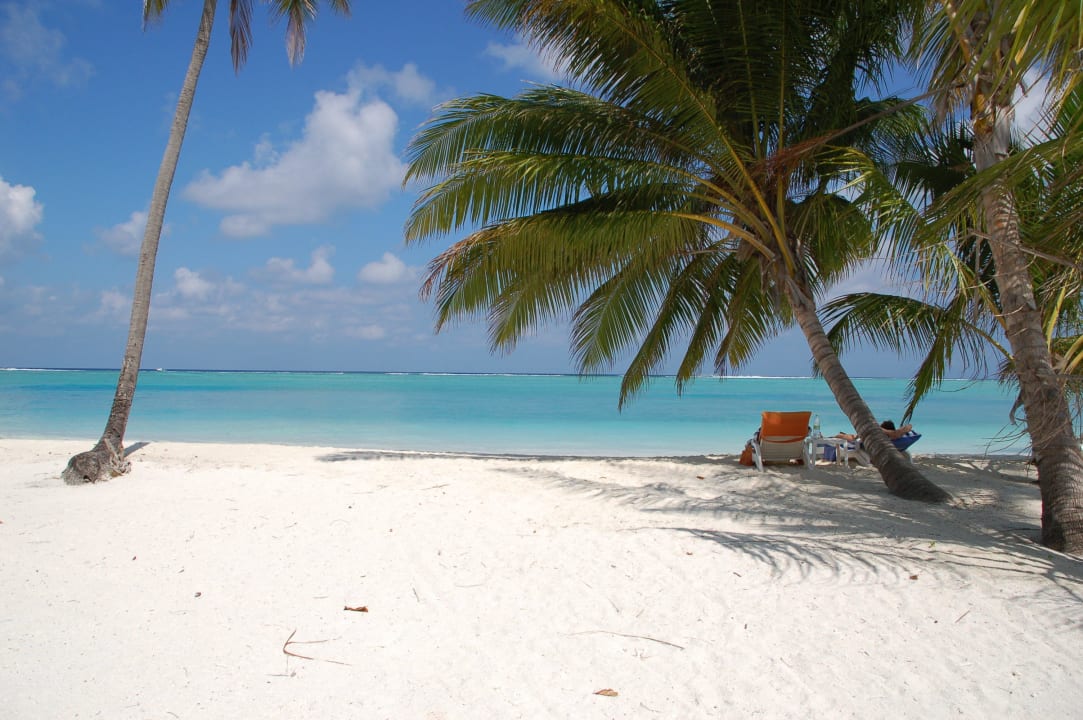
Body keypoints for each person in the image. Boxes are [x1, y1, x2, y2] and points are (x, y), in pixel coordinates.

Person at [834, 419, 912, 443]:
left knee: (839, 436)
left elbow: (856, 438)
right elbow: (909, 426)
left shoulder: (886, 434)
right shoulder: (894, 435)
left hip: (857, 439)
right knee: (842, 435)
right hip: (859, 437)